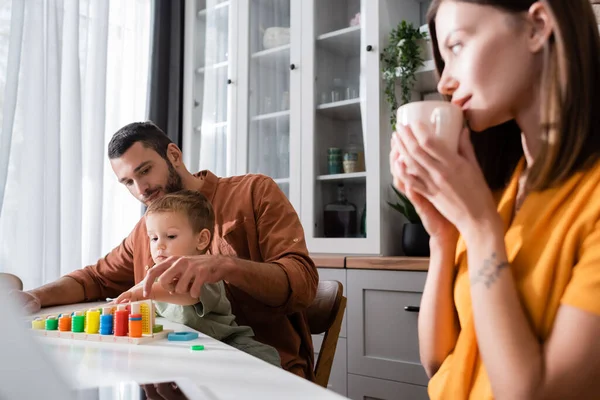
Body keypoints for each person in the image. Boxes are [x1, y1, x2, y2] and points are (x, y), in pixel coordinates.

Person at [390, 0, 600, 399]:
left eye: (456, 47)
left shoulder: (586, 202)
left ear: (537, 26)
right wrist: (443, 236)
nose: (444, 83)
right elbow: (439, 361)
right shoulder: (504, 193)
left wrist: (481, 228)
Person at [10, 121, 318, 380]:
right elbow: (95, 279)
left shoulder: (252, 192)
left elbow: (302, 283)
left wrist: (224, 266)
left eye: (145, 171)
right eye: (128, 182)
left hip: (260, 370)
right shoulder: (149, 230)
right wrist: (36, 296)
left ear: (173, 155)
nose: (140, 190)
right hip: (181, 370)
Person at [115, 190, 281, 367]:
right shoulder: (155, 274)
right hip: (190, 347)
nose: (159, 245)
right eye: (153, 238)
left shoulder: (205, 271)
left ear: (201, 240)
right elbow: (135, 295)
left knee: (263, 365)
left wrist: (142, 293)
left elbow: (186, 294)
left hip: (228, 343)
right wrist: (122, 302)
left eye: (170, 236)